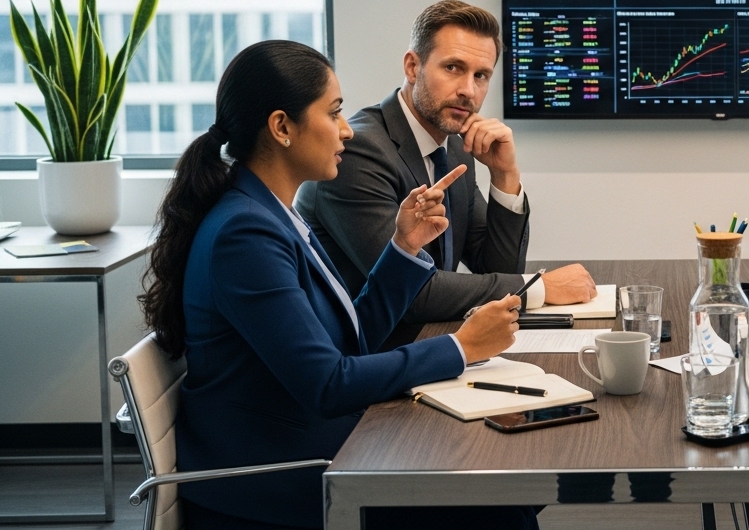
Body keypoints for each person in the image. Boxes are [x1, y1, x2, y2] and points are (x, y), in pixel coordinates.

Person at [139, 40, 534, 529]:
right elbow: (327, 384)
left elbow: (349, 340)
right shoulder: (245, 234)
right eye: (334, 113)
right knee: (503, 511)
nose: (347, 130)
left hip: (309, 446)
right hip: (272, 481)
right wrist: (460, 347)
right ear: (282, 127)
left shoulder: (269, 213)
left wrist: (404, 249)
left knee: (509, 494)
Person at [296, 0, 596, 341]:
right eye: (453, 68)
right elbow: (412, 291)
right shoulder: (358, 151)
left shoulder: (453, 144)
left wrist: (505, 177)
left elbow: (496, 269)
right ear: (412, 67)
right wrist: (539, 288)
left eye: (481, 75)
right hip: (369, 363)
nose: (469, 90)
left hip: (431, 342)